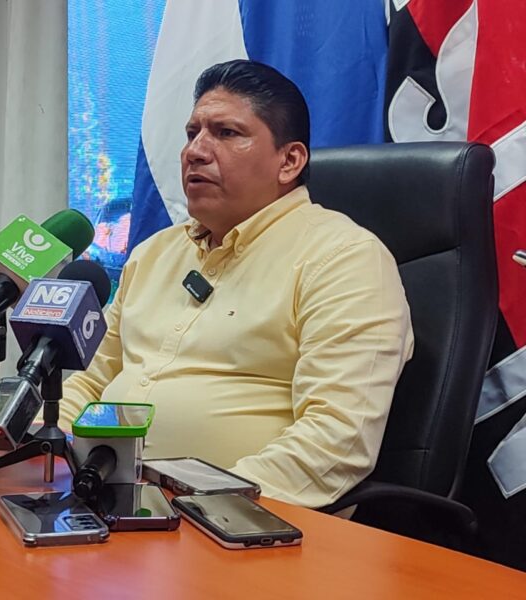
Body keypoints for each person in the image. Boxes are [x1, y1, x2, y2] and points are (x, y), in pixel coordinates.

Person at [60, 60, 414, 508]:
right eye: (192, 133)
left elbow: (336, 439)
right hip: (104, 500)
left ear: (289, 161)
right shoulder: (153, 254)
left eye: (226, 133)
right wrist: (41, 454)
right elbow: (90, 383)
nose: (196, 151)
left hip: (240, 524)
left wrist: (200, 504)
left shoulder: (344, 258)